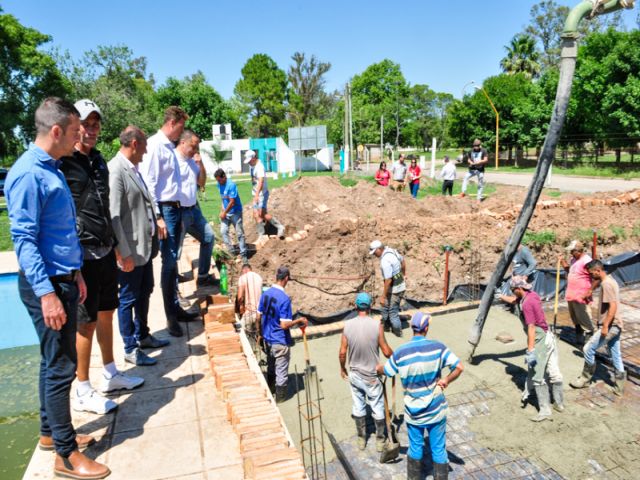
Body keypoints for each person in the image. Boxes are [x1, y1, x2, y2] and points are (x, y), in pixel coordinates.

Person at [6, 97, 110, 479]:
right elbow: (26, 240)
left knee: (53, 363)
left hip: (63, 277)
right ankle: (66, 456)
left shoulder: (50, 168)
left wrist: (76, 272)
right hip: (45, 285)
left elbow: (59, 232)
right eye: (73, 130)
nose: (79, 135)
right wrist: (49, 293)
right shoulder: (29, 174)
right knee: (61, 368)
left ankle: (50, 434)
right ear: (56, 131)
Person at [59, 100, 144, 414]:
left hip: (106, 249)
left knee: (107, 311)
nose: (92, 130)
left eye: (96, 124)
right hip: (83, 256)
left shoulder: (98, 162)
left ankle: (110, 373)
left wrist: (119, 249)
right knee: (86, 322)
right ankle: (82, 389)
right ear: (75, 126)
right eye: (87, 124)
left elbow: (106, 210)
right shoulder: (64, 162)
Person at [376, 312, 463, 480]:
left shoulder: (401, 352)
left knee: (415, 448)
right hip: (436, 410)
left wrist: (378, 368)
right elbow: (459, 367)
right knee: (438, 449)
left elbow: (387, 371)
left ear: (412, 329)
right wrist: (446, 380)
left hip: (414, 412)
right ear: (426, 328)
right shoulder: (438, 347)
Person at [109, 126, 167, 366]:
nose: (145, 152)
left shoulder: (134, 169)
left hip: (144, 249)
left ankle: (142, 335)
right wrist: (123, 252)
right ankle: (130, 347)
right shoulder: (116, 170)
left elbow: (145, 201)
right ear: (134, 143)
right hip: (131, 252)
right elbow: (113, 216)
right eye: (143, 147)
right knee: (128, 299)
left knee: (145, 292)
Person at [139, 106, 199, 338]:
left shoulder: (168, 147)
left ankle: (175, 309)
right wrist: (158, 216)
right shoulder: (155, 146)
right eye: (181, 127)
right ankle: (171, 317)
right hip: (165, 210)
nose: (181, 133)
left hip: (174, 208)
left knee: (173, 263)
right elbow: (149, 183)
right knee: (169, 263)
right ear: (173, 123)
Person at [498, 278, 564, 422]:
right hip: (549, 337)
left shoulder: (527, 304)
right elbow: (516, 301)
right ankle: (559, 404)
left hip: (540, 338)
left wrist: (531, 350)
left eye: (512, 290)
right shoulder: (531, 295)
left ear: (519, 289)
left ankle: (545, 410)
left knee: (537, 374)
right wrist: (501, 296)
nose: (512, 293)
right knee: (554, 372)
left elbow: (531, 327)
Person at [339, 292, 393, 452]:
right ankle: (380, 441)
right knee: (377, 407)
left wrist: (342, 368)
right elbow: (386, 351)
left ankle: (362, 439)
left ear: (356, 306)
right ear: (370, 307)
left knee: (358, 405)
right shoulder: (377, 325)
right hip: (372, 376)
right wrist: (396, 358)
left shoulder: (347, 326)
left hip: (355, 374)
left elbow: (342, 352)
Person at [570, 260, 626, 396]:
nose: (591, 276)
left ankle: (585, 378)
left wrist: (605, 325)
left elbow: (613, 306)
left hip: (611, 325)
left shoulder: (606, 284)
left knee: (588, 349)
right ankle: (620, 386)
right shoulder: (610, 280)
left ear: (598, 270)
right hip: (616, 324)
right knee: (615, 354)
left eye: (591, 273)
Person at [256, 266, 308, 403]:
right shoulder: (284, 299)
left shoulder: (265, 293)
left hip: (267, 339)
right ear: (286, 279)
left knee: (271, 367)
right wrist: (299, 320)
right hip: (279, 341)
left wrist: (260, 334)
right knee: (282, 373)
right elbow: (284, 325)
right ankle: (280, 400)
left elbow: (258, 316)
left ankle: (270, 390)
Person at [175, 130, 215, 286]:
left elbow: (202, 182)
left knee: (208, 237)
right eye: (193, 146)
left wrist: (200, 163)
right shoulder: (173, 159)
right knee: (176, 250)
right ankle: (174, 286)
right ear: (183, 142)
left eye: (197, 147)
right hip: (179, 210)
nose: (195, 150)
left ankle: (203, 276)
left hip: (194, 209)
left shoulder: (192, 161)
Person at [560, 240, 595, 346]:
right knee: (576, 319)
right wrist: (562, 262)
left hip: (581, 296)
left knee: (584, 318)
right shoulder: (573, 259)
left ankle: (590, 342)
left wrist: (590, 290)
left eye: (572, 251)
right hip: (572, 295)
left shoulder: (587, 261)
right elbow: (570, 271)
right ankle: (579, 338)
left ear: (579, 251)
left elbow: (596, 276)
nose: (571, 253)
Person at [245, 150, 285, 242]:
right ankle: (262, 235)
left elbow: (261, 181)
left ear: (254, 158)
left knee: (261, 214)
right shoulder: (252, 166)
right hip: (255, 193)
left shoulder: (260, 167)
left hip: (261, 194)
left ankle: (280, 227)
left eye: (250, 160)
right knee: (256, 214)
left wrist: (257, 195)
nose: (249, 163)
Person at [369, 240, 406, 337]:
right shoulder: (392, 251)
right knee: (385, 307)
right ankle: (385, 326)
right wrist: (403, 274)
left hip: (395, 289)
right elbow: (403, 261)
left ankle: (398, 333)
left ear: (379, 249)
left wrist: (383, 296)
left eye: (375, 252)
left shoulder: (385, 260)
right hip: (400, 285)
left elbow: (388, 280)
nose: (374, 255)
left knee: (393, 312)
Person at [214, 168, 247, 263]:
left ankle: (243, 254)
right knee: (223, 231)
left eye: (220, 180)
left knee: (240, 233)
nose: (218, 182)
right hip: (226, 212)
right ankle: (231, 252)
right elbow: (223, 199)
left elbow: (232, 202)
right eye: (217, 180)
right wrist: (222, 210)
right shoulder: (219, 185)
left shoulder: (231, 185)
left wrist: (224, 212)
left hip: (235, 212)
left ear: (224, 176)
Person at [237, 263, 263, 339]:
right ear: (250, 269)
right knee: (258, 335)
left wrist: (241, 307)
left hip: (249, 313)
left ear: (243, 270)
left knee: (241, 334)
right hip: (260, 313)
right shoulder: (259, 277)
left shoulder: (242, 278)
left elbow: (239, 297)